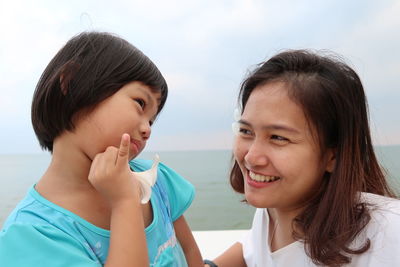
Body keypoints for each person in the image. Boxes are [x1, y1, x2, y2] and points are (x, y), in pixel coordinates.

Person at [0, 32, 202, 266]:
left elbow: (189, 252)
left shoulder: (155, 180)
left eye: (152, 120)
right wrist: (125, 201)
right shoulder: (32, 235)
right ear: (72, 83)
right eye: (140, 103)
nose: (147, 129)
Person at [205, 50, 400, 267]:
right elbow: (251, 249)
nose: (252, 157)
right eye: (246, 131)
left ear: (333, 155)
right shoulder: (273, 209)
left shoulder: (388, 233)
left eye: (278, 138)